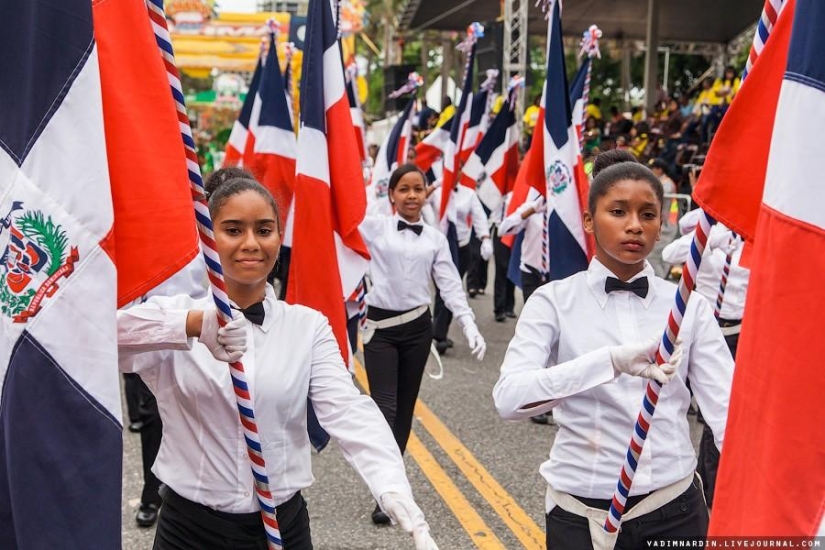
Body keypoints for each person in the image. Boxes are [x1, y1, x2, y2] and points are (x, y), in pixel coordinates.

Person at [118, 177, 438, 550]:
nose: (251, 243)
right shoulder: (172, 315)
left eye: (264, 230)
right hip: (190, 531)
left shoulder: (307, 326)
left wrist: (392, 487)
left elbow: (349, 412)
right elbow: (95, 339)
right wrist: (189, 325)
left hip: (280, 527)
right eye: (233, 230)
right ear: (206, 235)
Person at [493, 161, 733, 548]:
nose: (635, 225)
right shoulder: (553, 301)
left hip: (675, 509)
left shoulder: (688, 306)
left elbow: (727, 413)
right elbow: (509, 398)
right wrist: (608, 363)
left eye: (648, 214)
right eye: (618, 211)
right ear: (589, 221)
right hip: (582, 516)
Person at [358, 164, 486, 521]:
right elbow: (345, 235)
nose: (412, 195)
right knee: (384, 408)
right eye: (404, 189)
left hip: (417, 328)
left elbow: (449, 285)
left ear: (426, 193)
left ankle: (392, 489)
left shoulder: (434, 238)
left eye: (418, 189)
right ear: (392, 194)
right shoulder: (375, 226)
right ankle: (382, 484)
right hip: (380, 328)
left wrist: (469, 323)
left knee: (404, 410)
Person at [662, 211, 750, 508]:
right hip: (705, 329)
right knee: (683, 405)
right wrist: (709, 241)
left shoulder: (756, 238)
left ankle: (714, 488)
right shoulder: (712, 225)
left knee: (722, 412)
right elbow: (670, 252)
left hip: (740, 332)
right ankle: (696, 479)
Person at [427, 180, 492, 354]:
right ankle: (438, 335)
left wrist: (485, 238)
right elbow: (421, 200)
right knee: (443, 289)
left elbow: (479, 216)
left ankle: (441, 331)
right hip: (439, 246)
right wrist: (435, 186)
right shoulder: (437, 191)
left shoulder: (468, 194)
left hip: (461, 247)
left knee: (452, 288)